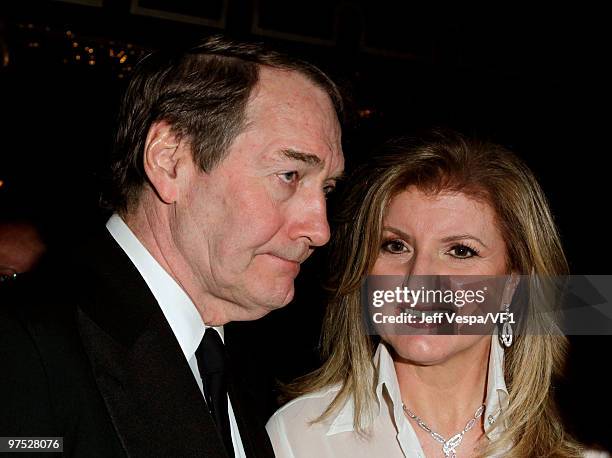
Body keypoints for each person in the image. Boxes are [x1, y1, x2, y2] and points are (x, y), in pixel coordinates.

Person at [0, 36, 344, 457]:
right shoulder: (23, 347)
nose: (320, 228)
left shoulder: (236, 364)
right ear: (170, 161)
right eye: (289, 175)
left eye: (325, 188)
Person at [266, 132, 591, 457]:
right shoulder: (298, 437)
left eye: (460, 251)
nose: (418, 279)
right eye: (395, 246)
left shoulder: (578, 448)